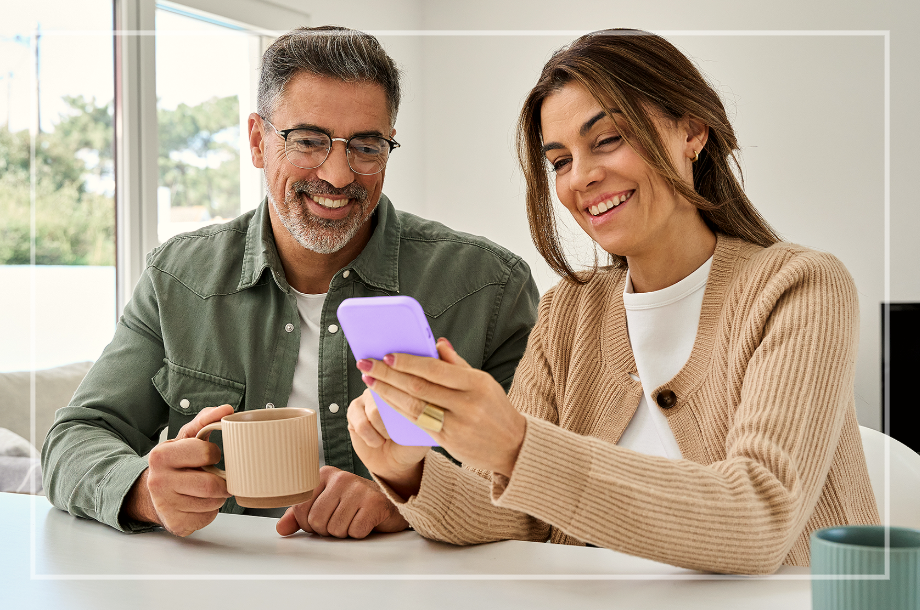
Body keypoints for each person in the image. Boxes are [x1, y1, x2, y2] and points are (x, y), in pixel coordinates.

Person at [346, 29, 879, 574]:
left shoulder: (801, 287)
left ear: (693, 130)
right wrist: (409, 471)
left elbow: (759, 519)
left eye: (607, 140)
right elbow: (515, 513)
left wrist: (516, 444)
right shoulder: (568, 312)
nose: (583, 177)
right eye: (559, 161)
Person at [41, 26, 538, 539]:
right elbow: (74, 439)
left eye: (367, 147)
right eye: (308, 141)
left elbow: (535, 484)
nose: (340, 175)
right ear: (258, 141)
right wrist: (144, 488)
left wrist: (408, 502)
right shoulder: (178, 278)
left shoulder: (490, 287)